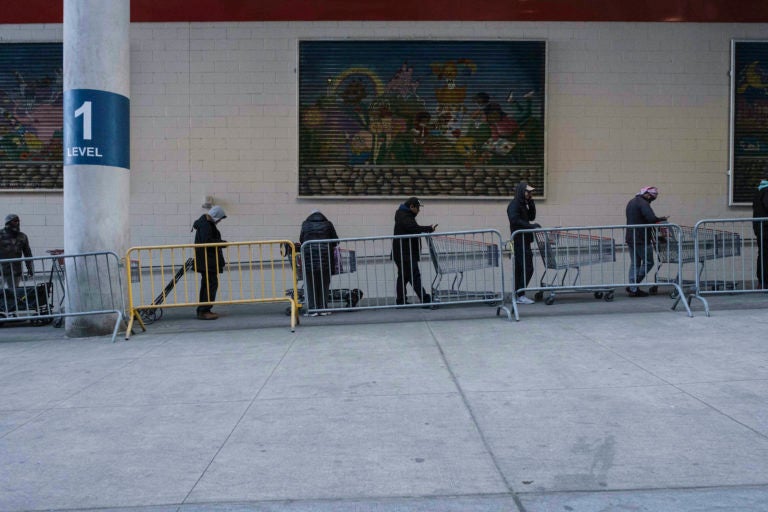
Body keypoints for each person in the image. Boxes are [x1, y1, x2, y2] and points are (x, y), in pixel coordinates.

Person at [393, 197, 437, 306]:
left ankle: (401, 301)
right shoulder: (404, 215)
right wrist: (428, 228)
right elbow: (413, 228)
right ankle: (425, 299)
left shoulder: (404, 214)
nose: (419, 210)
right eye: (418, 208)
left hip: (403, 252)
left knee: (404, 277)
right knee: (414, 275)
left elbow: (412, 228)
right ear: (411, 206)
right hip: (405, 253)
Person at [625, 186, 668, 297]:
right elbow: (651, 218)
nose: (652, 199)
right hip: (641, 238)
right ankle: (633, 286)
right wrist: (661, 219)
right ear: (647, 195)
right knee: (649, 262)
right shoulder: (643, 203)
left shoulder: (632, 202)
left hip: (630, 236)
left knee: (635, 264)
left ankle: (633, 288)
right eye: (652, 197)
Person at [299, 210, 339, 316]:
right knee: (324, 284)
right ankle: (323, 308)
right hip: (325, 259)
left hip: (309, 259)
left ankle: (313, 309)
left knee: (311, 284)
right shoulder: (328, 224)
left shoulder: (305, 224)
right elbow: (335, 240)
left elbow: (302, 240)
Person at [507, 182, 540, 304]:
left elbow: (531, 217)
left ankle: (518, 294)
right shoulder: (514, 205)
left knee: (522, 269)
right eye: (528, 192)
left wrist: (531, 203)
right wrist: (531, 227)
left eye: (531, 192)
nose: (530, 194)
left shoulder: (523, 204)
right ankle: (520, 294)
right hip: (518, 241)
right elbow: (514, 220)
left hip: (525, 241)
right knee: (527, 268)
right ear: (521, 191)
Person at [192, 206, 227, 320]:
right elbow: (207, 241)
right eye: (220, 219)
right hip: (208, 261)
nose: (220, 221)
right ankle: (204, 311)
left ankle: (204, 309)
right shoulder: (206, 225)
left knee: (208, 285)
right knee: (210, 285)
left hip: (206, 261)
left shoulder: (204, 224)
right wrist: (221, 243)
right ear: (216, 216)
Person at [0, 214, 34, 289]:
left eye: (18, 221)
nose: (17, 223)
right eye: (15, 221)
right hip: (2, 271)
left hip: (16, 271)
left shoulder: (23, 236)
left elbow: (27, 253)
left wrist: (30, 268)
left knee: (14, 294)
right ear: (8, 223)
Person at [752, 169, 768, 288]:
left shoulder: (759, 190)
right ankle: (764, 281)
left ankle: (762, 281)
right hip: (766, 228)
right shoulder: (766, 191)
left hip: (760, 228)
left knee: (763, 254)